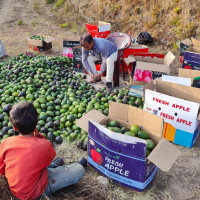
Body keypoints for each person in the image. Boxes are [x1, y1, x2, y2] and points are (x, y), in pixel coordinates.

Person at [0, 102, 85, 200]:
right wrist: (39, 136)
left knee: (40, 163)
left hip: (15, 191)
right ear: (37, 122)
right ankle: (53, 170)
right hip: (36, 193)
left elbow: (2, 170)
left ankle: (53, 168)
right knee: (79, 169)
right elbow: (50, 156)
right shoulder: (43, 145)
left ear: (14, 127)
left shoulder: (6, 143)